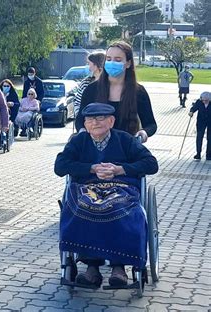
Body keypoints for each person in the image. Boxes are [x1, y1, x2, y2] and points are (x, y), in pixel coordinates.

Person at [55, 103, 159, 287]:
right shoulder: (79, 142)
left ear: (111, 121)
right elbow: (60, 166)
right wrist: (91, 168)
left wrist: (120, 169)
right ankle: (92, 268)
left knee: (119, 209)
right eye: (90, 119)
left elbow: (151, 163)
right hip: (87, 187)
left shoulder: (125, 140)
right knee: (84, 207)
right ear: (85, 124)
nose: (95, 122)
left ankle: (119, 267)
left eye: (100, 118)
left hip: (121, 187)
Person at [75, 41, 157, 143]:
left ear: (128, 63)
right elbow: (79, 120)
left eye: (118, 60)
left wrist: (144, 133)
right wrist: (82, 133)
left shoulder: (138, 92)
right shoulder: (92, 89)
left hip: (127, 149)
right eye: (108, 59)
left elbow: (151, 124)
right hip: (96, 149)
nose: (112, 63)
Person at [73, 51, 106, 117]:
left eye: (89, 63)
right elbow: (77, 103)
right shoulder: (86, 82)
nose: (88, 66)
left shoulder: (111, 82)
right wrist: (81, 119)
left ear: (96, 64)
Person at [189, 91, 211, 160]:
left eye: (206, 100)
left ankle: (209, 154)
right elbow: (194, 108)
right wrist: (191, 112)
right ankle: (198, 153)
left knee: (210, 138)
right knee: (199, 137)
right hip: (201, 122)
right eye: (203, 100)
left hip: (210, 122)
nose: (204, 102)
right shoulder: (199, 102)